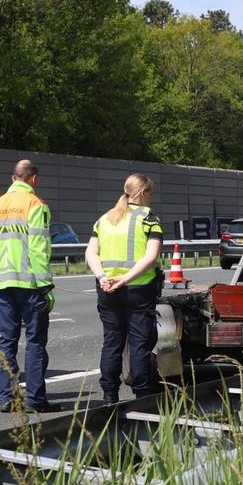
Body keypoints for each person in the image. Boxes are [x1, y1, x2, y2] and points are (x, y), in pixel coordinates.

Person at [0, 160, 58, 413]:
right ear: (33, 179)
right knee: (35, 343)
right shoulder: (35, 205)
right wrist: (45, 285)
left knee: (6, 343)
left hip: (2, 284)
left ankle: (8, 398)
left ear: (14, 178)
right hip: (30, 285)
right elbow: (38, 248)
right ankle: (35, 399)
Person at [84, 174, 165, 406]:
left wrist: (102, 277)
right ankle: (142, 396)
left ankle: (109, 395)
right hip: (139, 290)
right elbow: (151, 257)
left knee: (112, 342)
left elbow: (91, 253)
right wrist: (126, 279)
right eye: (151, 193)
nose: (152, 198)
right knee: (140, 343)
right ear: (141, 193)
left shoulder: (105, 219)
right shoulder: (149, 219)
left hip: (108, 290)